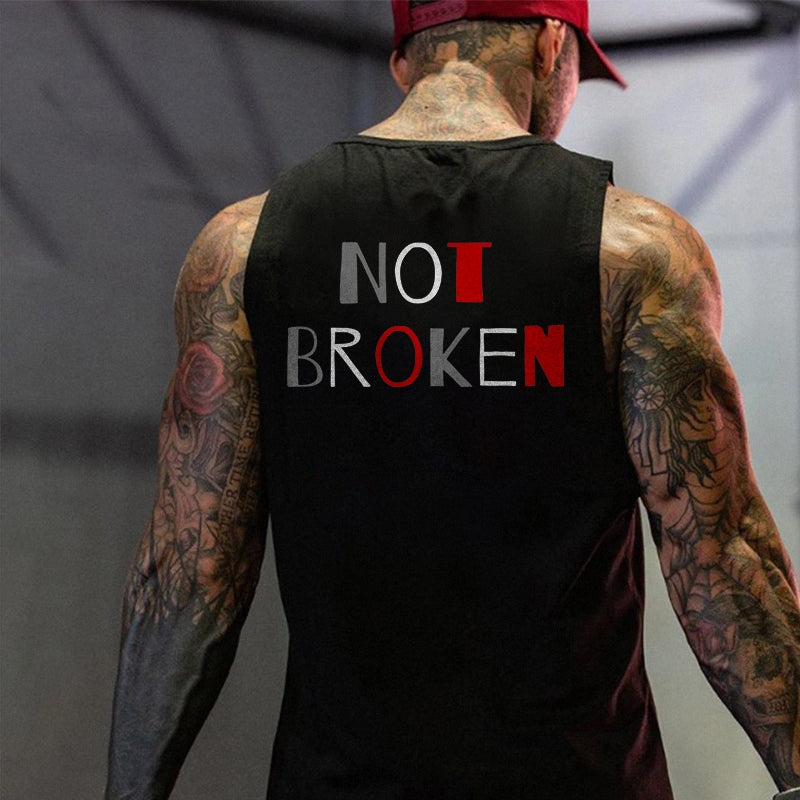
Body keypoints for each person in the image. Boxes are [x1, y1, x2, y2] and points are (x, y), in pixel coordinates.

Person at [104, 1, 800, 798]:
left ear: (403, 62)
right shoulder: (634, 252)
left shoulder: (244, 249)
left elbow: (187, 566)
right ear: (551, 47)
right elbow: (720, 551)